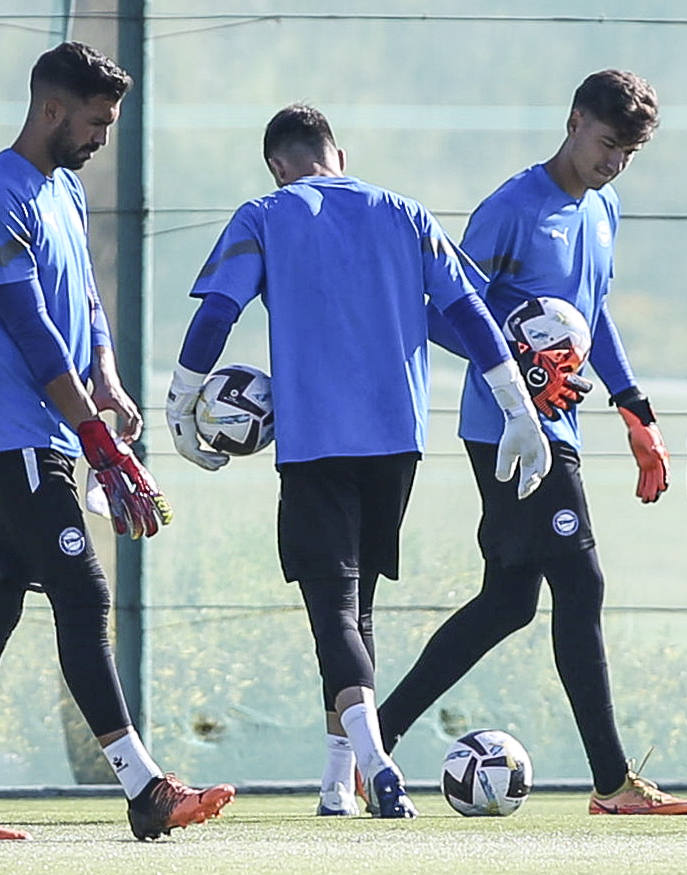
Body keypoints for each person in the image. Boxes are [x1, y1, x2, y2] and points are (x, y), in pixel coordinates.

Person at [164, 104, 551, 819]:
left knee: (332, 611)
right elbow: (467, 313)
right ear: (339, 155)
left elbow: (218, 311)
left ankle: (375, 763)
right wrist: (519, 410)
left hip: (314, 443)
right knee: (360, 606)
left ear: (278, 165)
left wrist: (182, 400)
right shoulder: (405, 213)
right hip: (396, 442)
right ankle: (336, 781)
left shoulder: (264, 213)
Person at [0, 41, 235, 842]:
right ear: (52, 110)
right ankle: (145, 788)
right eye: (94, 122)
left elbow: (82, 308)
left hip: (49, 429)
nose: (100, 138)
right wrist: (98, 440)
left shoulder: (64, 192)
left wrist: (110, 383)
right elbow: (30, 334)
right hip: (10, 434)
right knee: (83, 594)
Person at [374, 70, 687, 816]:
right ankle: (613, 783)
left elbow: (593, 315)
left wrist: (634, 408)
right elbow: (441, 310)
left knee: (507, 603)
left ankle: (375, 743)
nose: (613, 162)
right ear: (573, 120)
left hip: (560, 424)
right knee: (581, 584)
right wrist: (519, 367)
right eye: (606, 144)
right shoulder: (513, 207)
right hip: (506, 430)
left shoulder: (604, 206)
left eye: (628, 152)